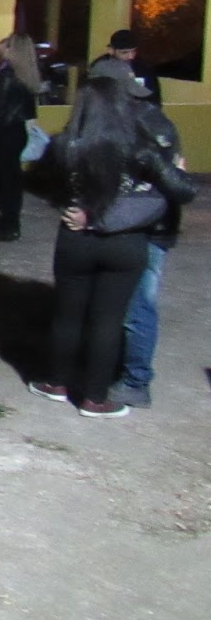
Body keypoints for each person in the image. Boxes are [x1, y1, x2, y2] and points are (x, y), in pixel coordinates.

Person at [30, 76, 195, 418]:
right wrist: (179, 172)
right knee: (108, 320)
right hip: (125, 243)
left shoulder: (64, 145)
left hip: (75, 240)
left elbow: (37, 181)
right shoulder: (140, 148)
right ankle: (95, 399)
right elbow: (182, 192)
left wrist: (68, 203)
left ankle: (57, 383)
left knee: (68, 314)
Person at [87, 59, 193, 409]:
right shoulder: (147, 117)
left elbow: (165, 186)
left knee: (137, 306)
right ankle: (120, 369)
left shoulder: (143, 125)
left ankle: (136, 380)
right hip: (145, 226)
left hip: (148, 230)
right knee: (126, 303)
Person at [0, 33, 39, 242]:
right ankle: (10, 222)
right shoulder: (27, 76)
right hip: (16, 132)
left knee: (5, 181)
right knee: (12, 180)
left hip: (3, 134)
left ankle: (7, 225)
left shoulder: (6, 77)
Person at [93, 29, 161, 104]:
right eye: (124, 52)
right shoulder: (100, 67)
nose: (131, 56)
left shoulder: (142, 66)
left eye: (134, 51)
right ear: (111, 50)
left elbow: (152, 97)